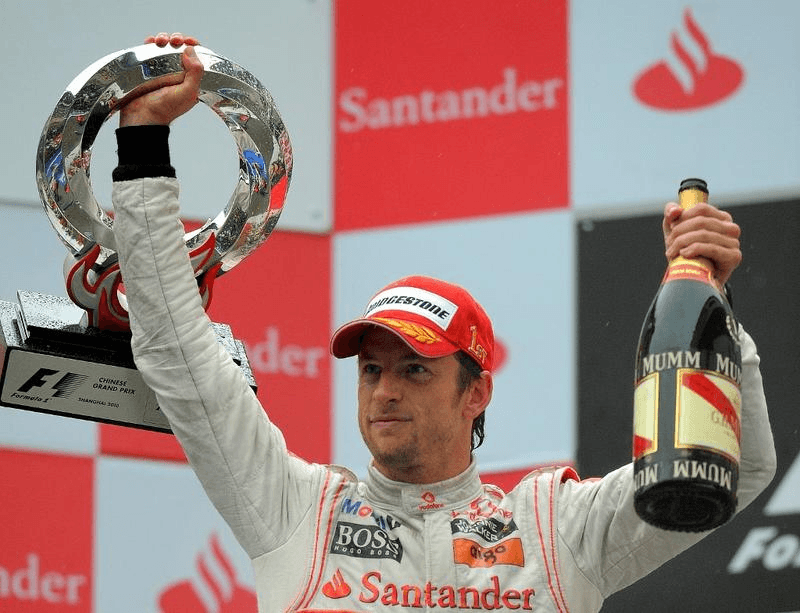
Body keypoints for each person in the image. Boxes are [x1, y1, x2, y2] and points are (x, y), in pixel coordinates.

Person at [111, 33, 776, 612]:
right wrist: (142, 141)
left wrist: (708, 296)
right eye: (371, 369)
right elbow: (176, 350)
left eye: (414, 369)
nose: (384, 390)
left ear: (475, 392)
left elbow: (739, 467)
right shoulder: (295, 511)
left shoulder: (554, 530)